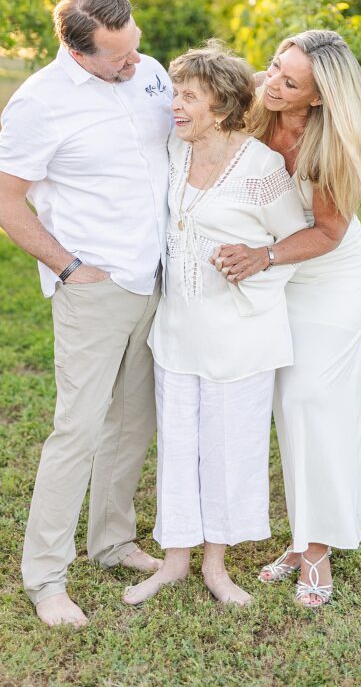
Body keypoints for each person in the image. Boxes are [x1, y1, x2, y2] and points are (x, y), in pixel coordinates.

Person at [0, 0, 172, 627]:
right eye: (116, 58)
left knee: (133, 420)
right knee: (78, 430)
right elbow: (4, 201)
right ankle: (46, 577)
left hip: (158, 280)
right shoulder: (38, 103)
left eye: (134, 50)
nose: (133, 65)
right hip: (95, 289)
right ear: (75, 49)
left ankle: (113, 540)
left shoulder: (149, 73)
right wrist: (70, 267)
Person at [123, 42, 307, 608]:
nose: (175, 106)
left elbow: (294, 244)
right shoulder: (175, 154)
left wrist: (253, 264)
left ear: (223, 107)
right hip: (177, 332)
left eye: (189, 97)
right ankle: (174, 561)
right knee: (178, 446)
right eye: (176, 94)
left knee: (230, 449)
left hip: (239, 337)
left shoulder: (261, 170)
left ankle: (216, 567)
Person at [213, 30, 361, 608]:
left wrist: (262, 257)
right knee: (284, 400)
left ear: (320, 98)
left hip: (329, 277)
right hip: (279, 270)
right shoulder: (264, 100)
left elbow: (329, 233)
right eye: (274, 67)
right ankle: (302, 531)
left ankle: (316, 549)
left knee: (311, 396)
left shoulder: (331, 143)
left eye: (290, 81)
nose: (273, 83)